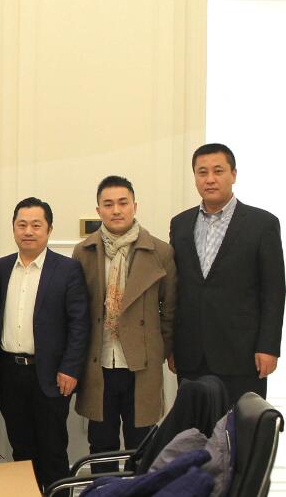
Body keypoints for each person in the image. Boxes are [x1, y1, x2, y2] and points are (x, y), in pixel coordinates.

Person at [0, 197, 89, 490]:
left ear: (49, 229)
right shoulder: (0, 268)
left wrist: (70, 368)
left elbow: (79, 324)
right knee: (21, 448)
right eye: (22, 224)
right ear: (13, 228)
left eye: (36, 225)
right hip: (10, 373)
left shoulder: (67, 269)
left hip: (51, 374)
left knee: (52, 450)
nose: (28, 231)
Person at [71, 176, 177, 474]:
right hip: (99, 363)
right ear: (99, 210)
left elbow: (170, 311)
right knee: (101, 445)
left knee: (141, 445)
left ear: (134, 206)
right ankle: (103, 492)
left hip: (141, 365)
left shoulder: (159, 251)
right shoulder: (84, 252)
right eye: (108, 204)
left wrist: (157, 351)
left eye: (122, 203)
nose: (116, 210)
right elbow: (77, 311)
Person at [170, 143, 285, 403]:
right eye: (202, 172)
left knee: (239, 425)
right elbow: (178, 289)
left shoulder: (262, 224)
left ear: (233, 174)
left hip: (242, 354)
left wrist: (268, 347)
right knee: (193, 425)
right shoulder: (180, 224)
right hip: (191, 353)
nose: (210, 179)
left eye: (218, 171)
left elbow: (274, 292)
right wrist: (173, 346)